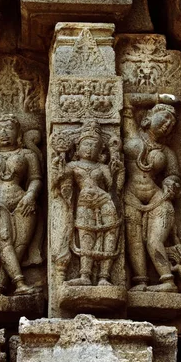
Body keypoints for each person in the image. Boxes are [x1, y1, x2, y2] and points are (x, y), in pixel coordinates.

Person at [0, 114, 42, 295]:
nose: (4, 133)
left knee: (20, 245)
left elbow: (36, 179)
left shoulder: (28, 154)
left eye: (9, 128)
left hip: (23, 201)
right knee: (4, 244)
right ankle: (20, 284)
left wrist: (31, 195)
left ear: (18, 133)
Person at [52, 121, 123, 286]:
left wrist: (117, 169)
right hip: (84, 202)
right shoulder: (73, 165)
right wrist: (59, 168)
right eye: (86, 144)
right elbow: (58, 184)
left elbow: (115, 188)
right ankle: (85, 275)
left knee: (110, 233)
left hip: (105, 201)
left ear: (100, 150)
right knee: (85, 234)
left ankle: (104, 276)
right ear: (78, 148)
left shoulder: (102, 167)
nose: (89, 148)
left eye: (94, 145)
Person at [123, 102, 181, 292]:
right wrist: (159, 96)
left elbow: (174, 176)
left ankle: (167, 281)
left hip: (158, 198)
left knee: (154, 240)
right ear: (148, 118)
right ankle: (140, 281)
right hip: (130, 196)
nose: (168, 124)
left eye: (172, 124)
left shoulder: (168, 152)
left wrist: (170, 183)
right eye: (165, 118)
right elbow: (128, 103)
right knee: (134, 240)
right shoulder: (131, 135)